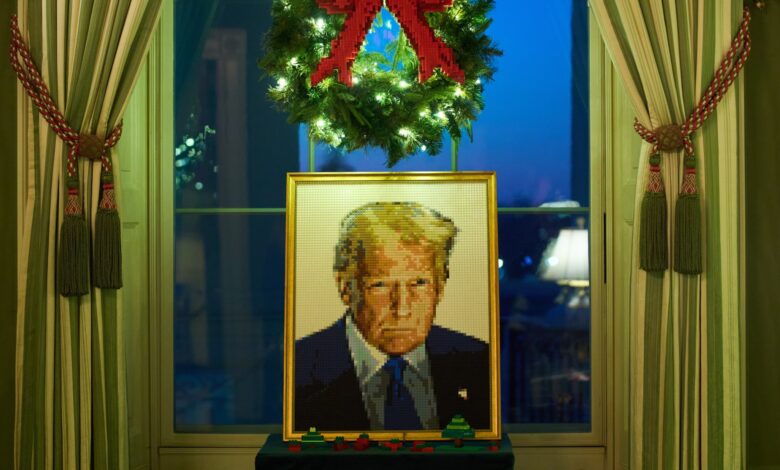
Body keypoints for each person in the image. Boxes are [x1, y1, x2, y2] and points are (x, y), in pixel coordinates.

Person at [294, 202, 490, 431]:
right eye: (380, 285)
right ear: (345, 287)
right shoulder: (298, 366)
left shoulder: (478, 361)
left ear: (440, 287)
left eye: (419, 283)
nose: (402, 308)